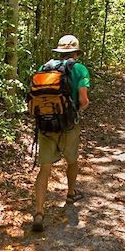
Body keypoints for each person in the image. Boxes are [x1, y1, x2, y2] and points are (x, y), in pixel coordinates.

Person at [32, 34, 90, 232]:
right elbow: (83, 100)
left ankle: (39, 213)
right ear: (75, 52)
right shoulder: (80, 69)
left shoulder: (44, 68)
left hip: (46, 125)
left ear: (58, 51)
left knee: (44, 169)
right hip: (68, 125)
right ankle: (71, 193)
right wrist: (76, 113)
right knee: (72, 160)